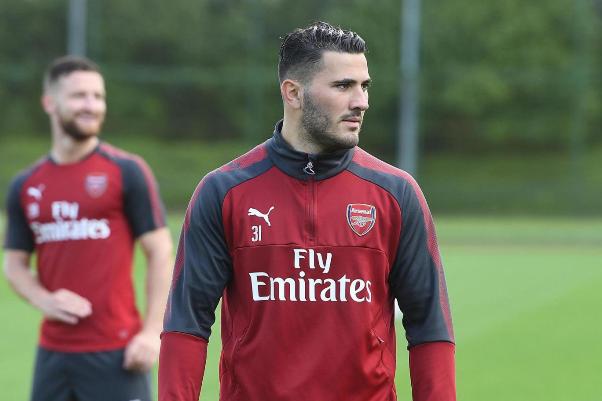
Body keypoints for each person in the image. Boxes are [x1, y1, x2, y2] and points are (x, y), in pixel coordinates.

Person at [159, 21, 455, 401]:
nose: (361, 101)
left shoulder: (397, 194)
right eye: (343, 86)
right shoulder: (223, 192)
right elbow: (187, 323)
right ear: (293, 93)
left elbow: (430, 326)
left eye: (364, 86)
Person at [3, 56, 173, 401]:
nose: (91, 106)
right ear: (50, 103)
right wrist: (43, 299)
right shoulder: (26, 184)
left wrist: (152, 332)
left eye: (98, 97)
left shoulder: (127, 171)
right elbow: (14, 264)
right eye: (79, 96)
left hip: (117, 352)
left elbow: (160, 252)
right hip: (53, 356)